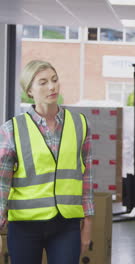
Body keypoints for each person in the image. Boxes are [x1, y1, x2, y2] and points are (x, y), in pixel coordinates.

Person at [0, 60, 94, 263]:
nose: (52, 86)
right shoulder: (12, 129)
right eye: (42, 82)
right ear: (29, 91)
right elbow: (2, 183)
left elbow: (86, 176)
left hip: (66, 225)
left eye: (54, 80)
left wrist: (88, 223)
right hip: (24, 226)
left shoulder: (80, 124)